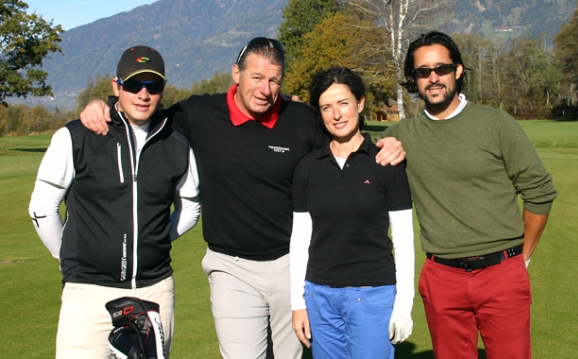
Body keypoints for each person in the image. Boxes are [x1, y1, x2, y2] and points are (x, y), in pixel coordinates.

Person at [78, 37, 406, 359]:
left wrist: (386, 142)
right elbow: (143, 111)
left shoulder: (302, 119)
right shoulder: (199, 113)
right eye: (257, 77)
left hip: (290, 266)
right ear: (237, 73)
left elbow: (345, 134)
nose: (266, 89)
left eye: (274, 80)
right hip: (230, 267)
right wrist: (106, 105)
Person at [380, 31, 558, 359]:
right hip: (441, 277)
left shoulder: (496, 124)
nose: (433, 78)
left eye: (441, 68)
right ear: (413, 79)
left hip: (501, 273)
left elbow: (540, 193)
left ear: (458, 71)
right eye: (422, 71)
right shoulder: (401, 136)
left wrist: (523, 258)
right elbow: (347, 149)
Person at [28, 45, 200, 359]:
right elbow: (41, 207)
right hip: (88, 294)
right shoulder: (76, 137)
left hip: (154, 290)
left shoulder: (175, 142)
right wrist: (65, 253)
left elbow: (190, 209)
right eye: (134, 85)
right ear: (116, 86)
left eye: (154, 86)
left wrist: (153, 238)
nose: (143, 95)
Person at [289, 67, 415, 359]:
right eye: (326, 107)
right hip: (319, 296)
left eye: (343, 103)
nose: (337, 115)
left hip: (373, 295)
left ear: (360, 103)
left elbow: (404, 241)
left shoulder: (386, 163)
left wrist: (403, 308)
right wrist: (298, 302)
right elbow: (300, 240)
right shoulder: (307, 168)